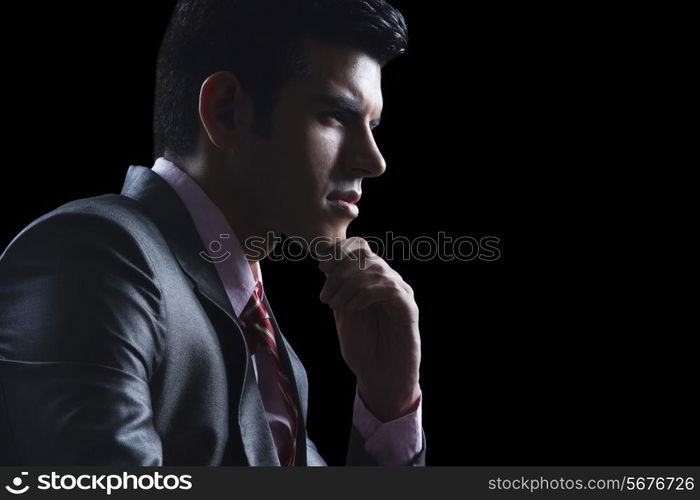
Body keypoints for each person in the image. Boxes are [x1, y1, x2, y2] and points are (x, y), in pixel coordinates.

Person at [0, 0, 425, 466]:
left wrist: (389, 405)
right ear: (225, 111)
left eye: (372, 126)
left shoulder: (275, 355)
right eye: (336, 116)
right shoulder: (90, 255)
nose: (374, 160)